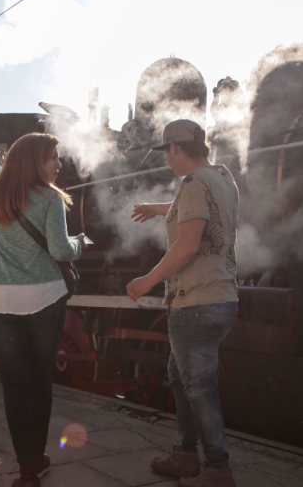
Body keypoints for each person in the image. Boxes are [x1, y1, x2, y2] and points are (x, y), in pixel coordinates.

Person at [127, 119, 239, 487]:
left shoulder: (192, 184)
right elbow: (198, 209)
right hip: (221, 298)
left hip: (195, 301)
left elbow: (187, 245)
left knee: (199, 387)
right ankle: (185, 455)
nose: (167, 160)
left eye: (168, 152)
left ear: (176, 148)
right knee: (181, 376)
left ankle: (218, 470)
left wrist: (147, 281)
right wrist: (157, 208)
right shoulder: (221, 177)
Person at [0, 133, 84, 487]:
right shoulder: (50, 198)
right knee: (40, 380)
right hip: (44, 298)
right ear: (33, 161)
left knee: (14, 386)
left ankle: (26, 469)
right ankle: (36, 460)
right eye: (53, 157)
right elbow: (60, 250)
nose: (59, 164)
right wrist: (79, 244)